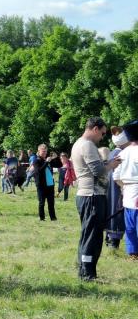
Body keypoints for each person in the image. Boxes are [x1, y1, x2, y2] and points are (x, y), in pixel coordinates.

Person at [71, 117, 121, 281]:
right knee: (93, 235)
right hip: (92, 196)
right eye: (103, 133)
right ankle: (87, 273)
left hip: (87, 196)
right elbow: (98, 171)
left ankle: (84, 269)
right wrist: (111, 165)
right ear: (95, 129)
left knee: (88, 234)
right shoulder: (87, 145)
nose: (103, 137)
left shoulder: (79, 143)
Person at [113, 121, 138, 257]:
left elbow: (116, 176)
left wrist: (124, 188)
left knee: (130, 226)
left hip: (127, 193)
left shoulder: (124, 153)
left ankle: (133, 253)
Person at [106, 127, 129, 248]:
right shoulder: (121, 154)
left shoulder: (111, 152)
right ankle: (114, 242)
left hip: (111, 187)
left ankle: (109, 239)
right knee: (117, 212)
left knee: (111, 210)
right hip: (118, 188)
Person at [34, 144, 57, 221]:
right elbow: (39, 171)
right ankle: (42, 217)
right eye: (43, 151)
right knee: (42, 202)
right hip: (41, 185)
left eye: (45, 151)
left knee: (51, 203)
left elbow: (59, 165)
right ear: (39, 151)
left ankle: (53, 218)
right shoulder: (36, 160)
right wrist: (46, 162)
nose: (44, 153)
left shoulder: (48, 160)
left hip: (50, 184)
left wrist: (55, 158)